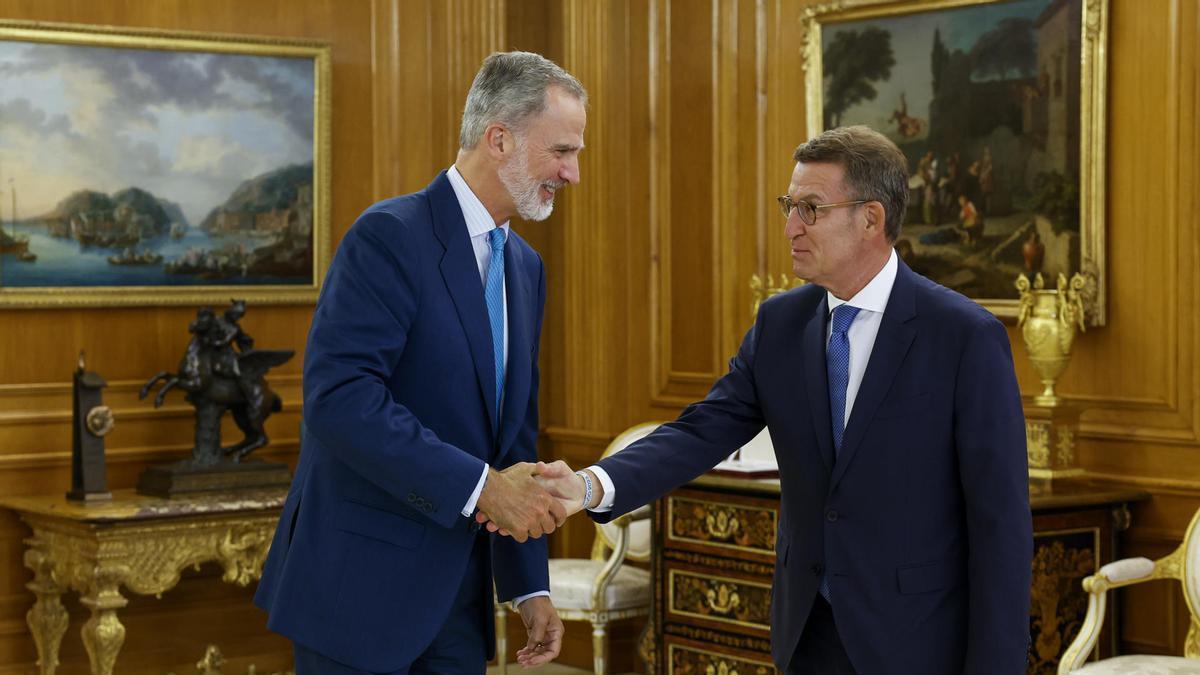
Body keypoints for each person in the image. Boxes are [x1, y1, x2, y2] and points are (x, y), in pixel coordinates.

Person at [488, 125, 1033, 674]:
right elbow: (700, 431)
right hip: (807, 637)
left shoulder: (964, 336)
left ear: (871, 219)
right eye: (788, 206)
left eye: (811, 209)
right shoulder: (781, 323)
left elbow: (1001, 528)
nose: (791, 226)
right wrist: (587, 486)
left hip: (920, 644)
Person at [256, 51, 588, 674]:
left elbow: (513, 435)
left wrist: (527, 586)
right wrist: (483, 488)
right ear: (499, 139)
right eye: (562, 151)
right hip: (356, 595)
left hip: (457, 608)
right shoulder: (388, 236)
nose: (572, 174)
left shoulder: (526, 267)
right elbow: (341, 399)